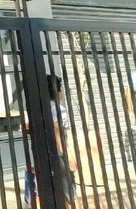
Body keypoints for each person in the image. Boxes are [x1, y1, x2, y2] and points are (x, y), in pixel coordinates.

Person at [48, 74, 78, 208]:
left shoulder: (43, 109)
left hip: (47, 153)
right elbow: (58, 133)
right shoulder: (58, 109)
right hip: (60, 153)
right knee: (69, 190)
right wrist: (69, 156)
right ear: (57, 92)